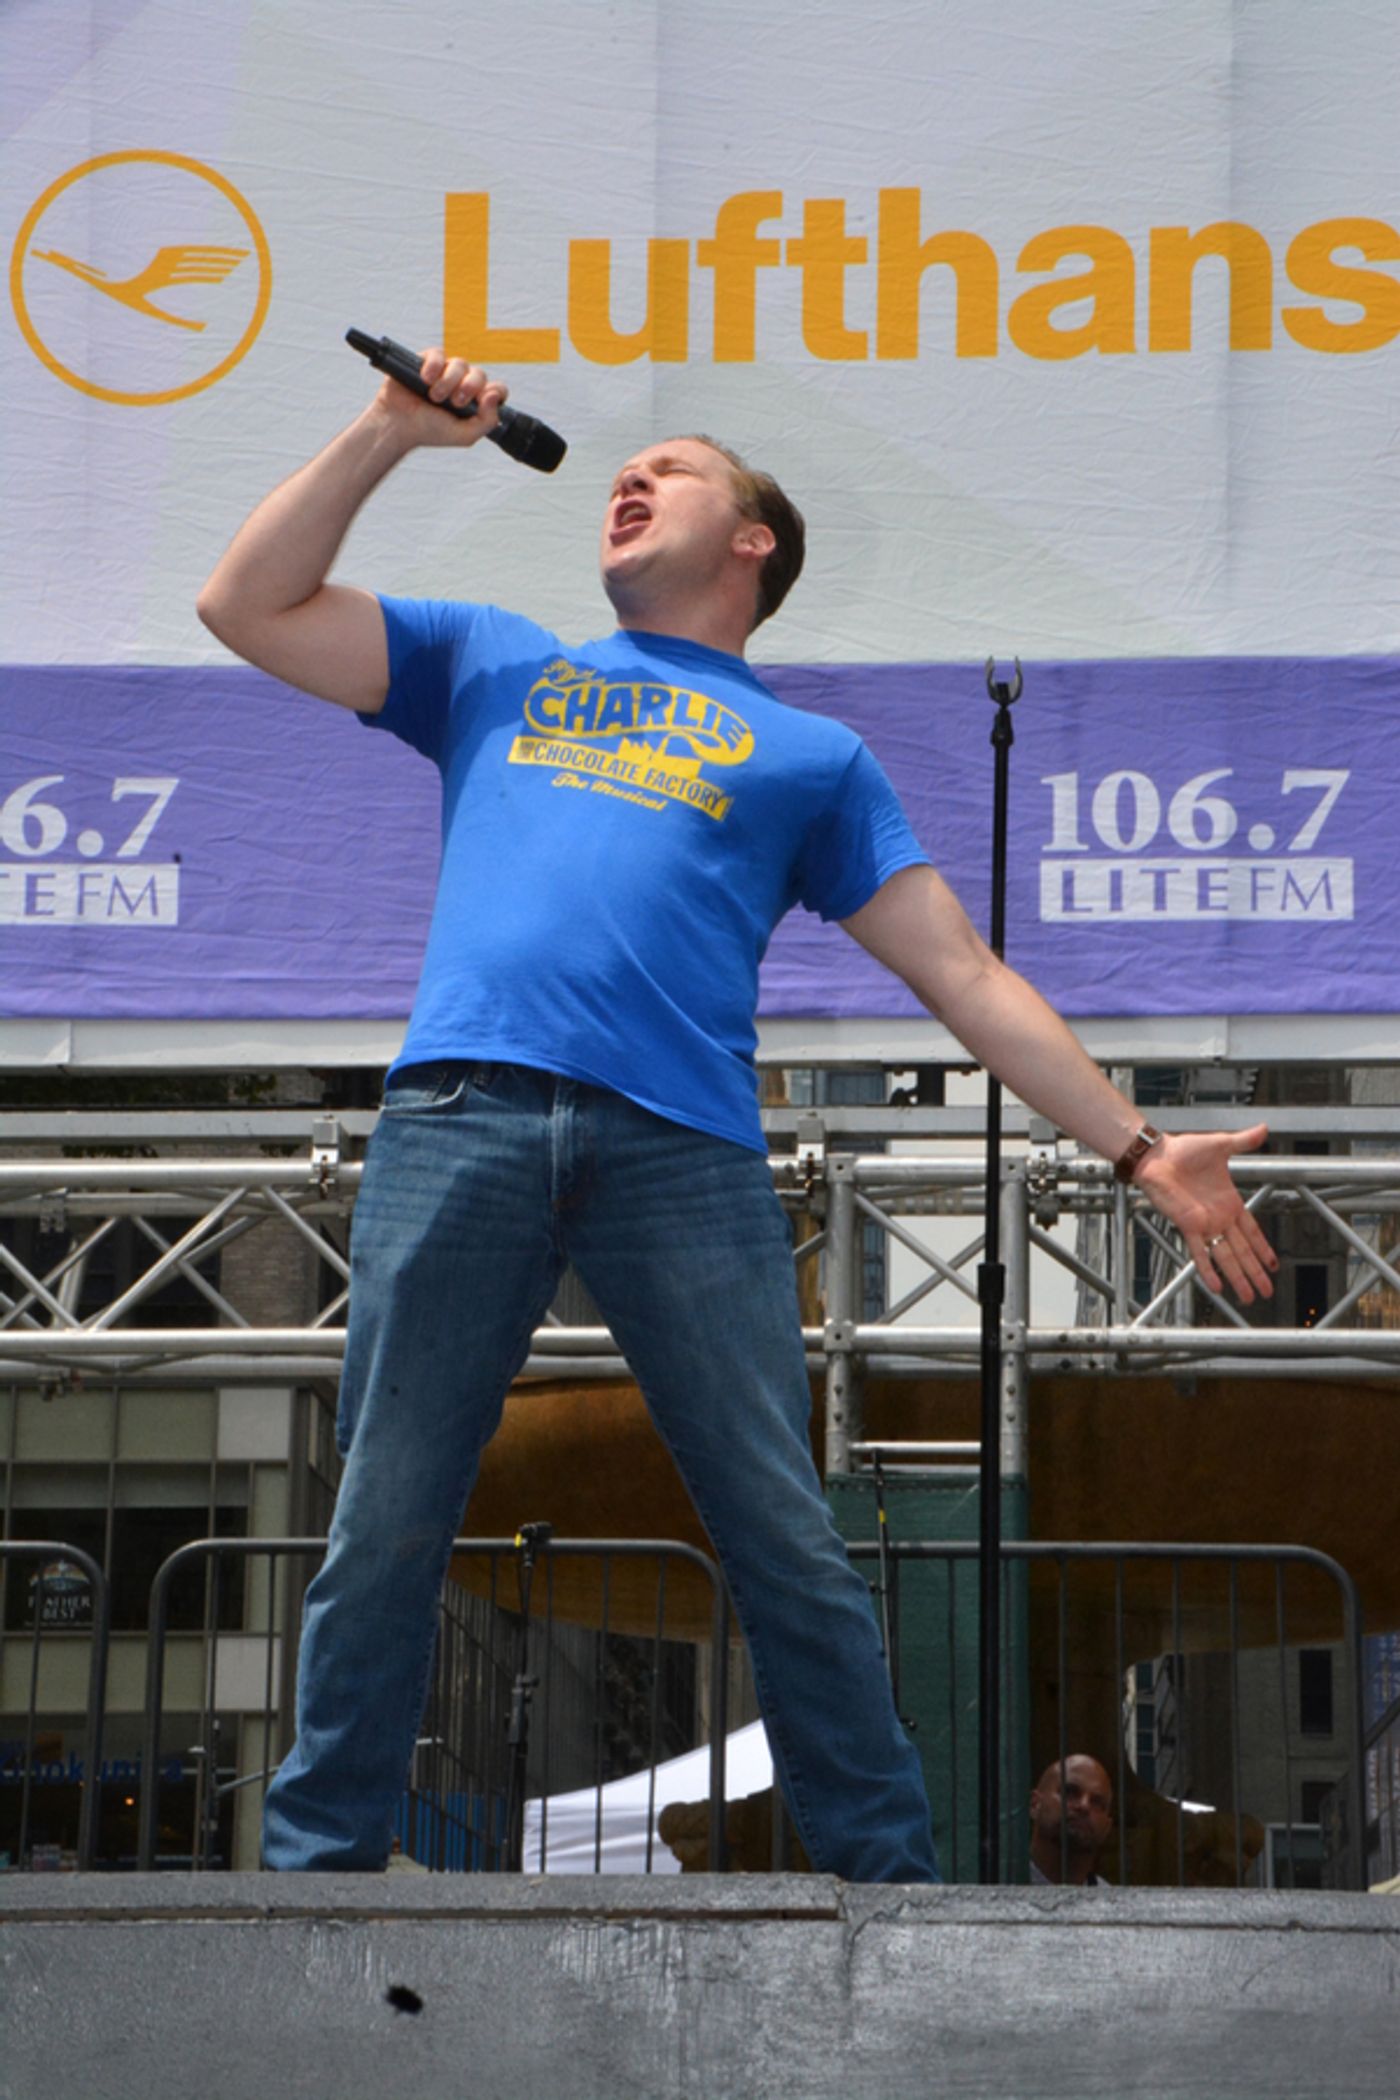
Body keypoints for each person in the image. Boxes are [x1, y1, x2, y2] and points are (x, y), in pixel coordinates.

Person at [197, 351, 1277, 1884]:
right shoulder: (497, 664)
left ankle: (885, 1881)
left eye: (674, 472)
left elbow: (962, 972)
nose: (628, 484)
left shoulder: (811, 757)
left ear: (752, 540)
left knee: (783, 1530)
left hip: (680, 1154)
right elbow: (245, 605)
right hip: (462, 1114)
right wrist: (386, 430)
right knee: (387, 1508)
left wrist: (1139, 1147)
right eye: (625, 476)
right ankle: (317, 1873)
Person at [1028, 1755, 1115, 1886]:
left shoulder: (1113, 1901)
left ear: (1107, 1828)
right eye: (1070, 1792)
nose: (1084, 1806)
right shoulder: (993, 1882)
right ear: (1035, 1804)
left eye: (1097, 1802)